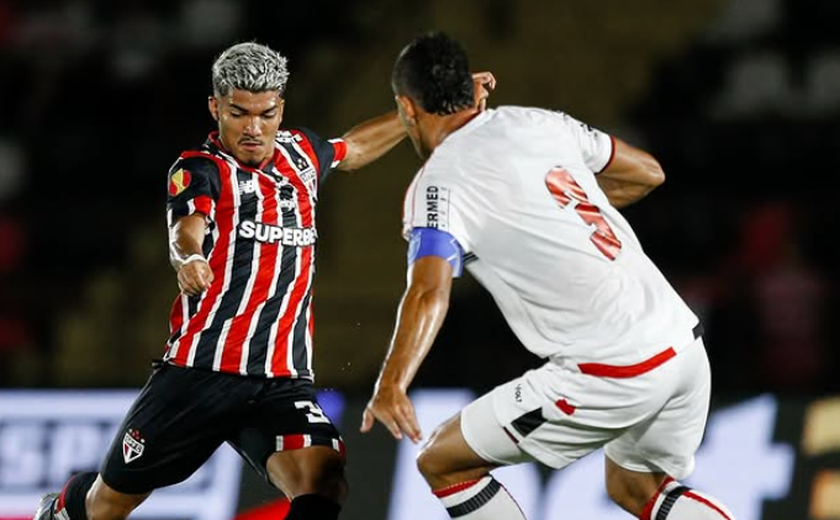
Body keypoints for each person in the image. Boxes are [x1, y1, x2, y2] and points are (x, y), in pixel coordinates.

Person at [32, 41, 493, 520]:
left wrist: (432, 109)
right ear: (216, 108)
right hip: (198, 377)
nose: (253, 128)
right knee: (107, 505)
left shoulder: (302, 155)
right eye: (239, 113)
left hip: (281, 381)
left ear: (281, 108)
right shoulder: (201, 170)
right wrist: (186, 258)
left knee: (323, 480)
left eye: (266, 113)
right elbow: (186, 228)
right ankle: (63, 508)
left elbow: (352, 148)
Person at [361, 32, 737, 520]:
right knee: (636, 487)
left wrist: (392, 381)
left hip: (614, 370)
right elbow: (648, 172)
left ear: (407, 109)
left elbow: (430, 291)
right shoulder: (537, 122)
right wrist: (562, 210)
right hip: (683, 346)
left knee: (443, 461)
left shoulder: (437, 185)